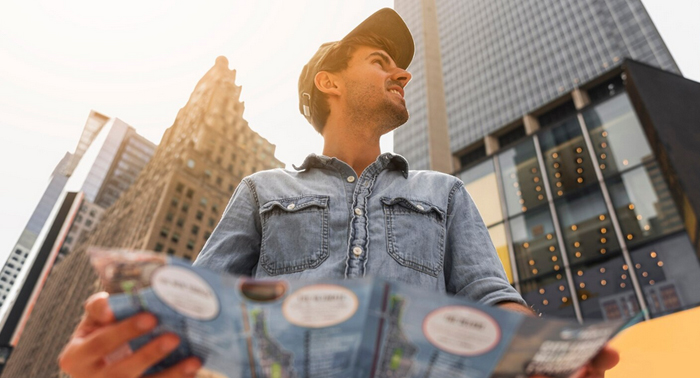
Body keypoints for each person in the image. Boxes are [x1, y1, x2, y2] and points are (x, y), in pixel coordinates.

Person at [58, 8, 619, 378]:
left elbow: (491, 295)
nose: (401, 73)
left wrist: (542, 355)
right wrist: (125, 344)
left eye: (400, 67)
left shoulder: (444, 192)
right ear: (330, 82)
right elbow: (195, 306)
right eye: (381, 62)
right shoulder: (260, 190)